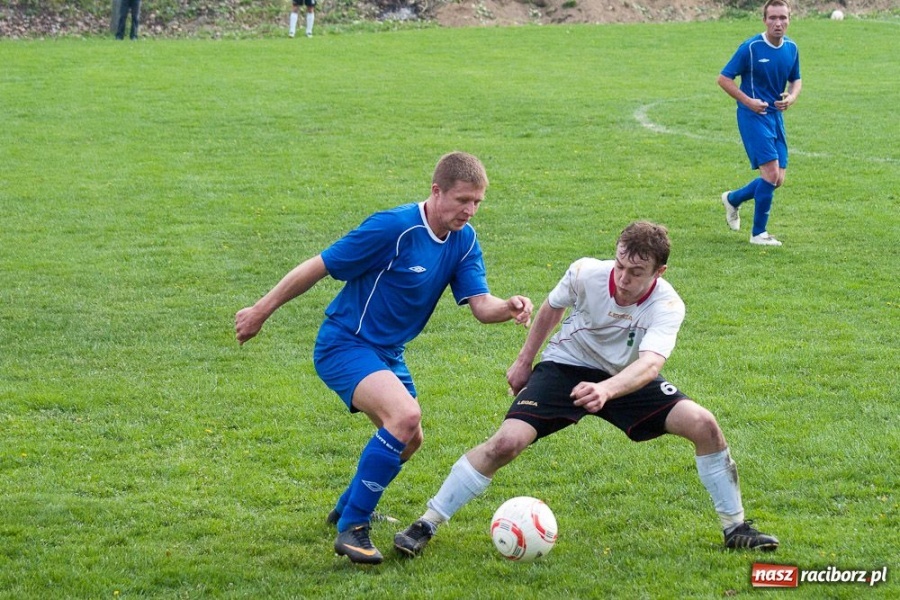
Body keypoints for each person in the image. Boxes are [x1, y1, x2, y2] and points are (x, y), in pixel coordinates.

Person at [394, 221, 779, 557]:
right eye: (621, 265)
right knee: (505, 443)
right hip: (565, 366)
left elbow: (650, 365)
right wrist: (524, 360)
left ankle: (735, 528)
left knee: (704, 424)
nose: (624, 279)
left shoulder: (668, 304)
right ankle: (427, 522)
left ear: (659, 272)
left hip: (624, 378)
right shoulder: (585, 273)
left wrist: (608, 390)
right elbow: (551, 307)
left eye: (637, 272)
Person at [235, 152, 533, 565]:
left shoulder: (464, 239)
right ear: (436, 191)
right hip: (345, 344)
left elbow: (481, 304)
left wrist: (509, 307)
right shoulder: (393, 228)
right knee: (404, 417)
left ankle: (346, 505)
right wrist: (259, 311)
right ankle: (352, 529)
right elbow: (319, 265)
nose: (470, 210)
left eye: (477, 202)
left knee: (411, 441)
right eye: (463, 199)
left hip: (387, 353)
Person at [717, 0, 802, 246]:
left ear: (789, 19)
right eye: (773, 18)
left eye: (783, 18)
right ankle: (758, 234)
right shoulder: (751, 48)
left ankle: (733, 199)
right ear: (764, 20)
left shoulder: (792, 48)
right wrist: (748, 101)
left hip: (776, 117)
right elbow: (724, 79)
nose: (778, 23)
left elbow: (796, 80)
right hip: (753, 116)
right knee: (770, 174)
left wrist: (792, 97)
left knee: (778, 180)